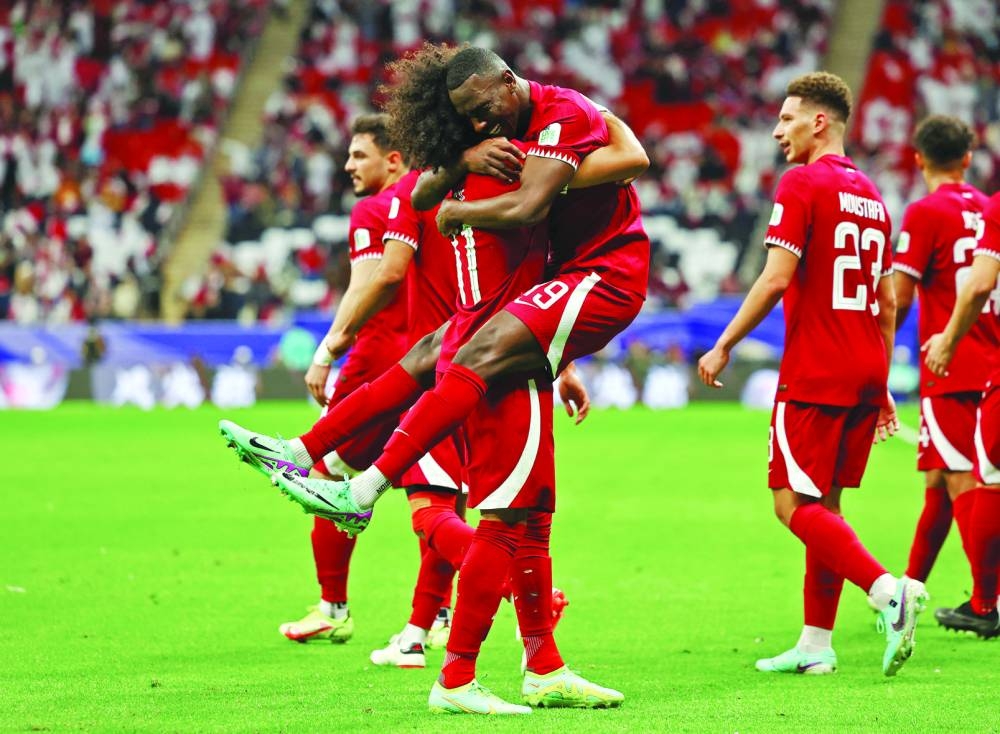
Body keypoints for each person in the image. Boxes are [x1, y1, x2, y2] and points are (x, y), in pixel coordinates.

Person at [697, 71, 928, 677]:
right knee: (827, 505)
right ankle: (816, 645)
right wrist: (880, 388)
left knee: (790, 503)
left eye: (787, 118)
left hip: (817, 368)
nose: (777, 131)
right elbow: (889, 305)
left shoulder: (802, 183)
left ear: (818, 121)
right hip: (862, 366)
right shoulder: (875, 197)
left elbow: (775, 278)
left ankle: (888, 592)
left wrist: (723, 344)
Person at [222, 114, 459, 652]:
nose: (348, 165)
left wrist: (332, 348)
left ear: (394, 159)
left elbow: (370, 282)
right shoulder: (447, 195)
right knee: (435, 491)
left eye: (359, 156)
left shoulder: (380, 208)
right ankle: (436, 615)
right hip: (440, 362)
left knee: (332, 478)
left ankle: (334, 607)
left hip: (384, 364)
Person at [891, 116, 992, 592]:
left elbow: (902, 295)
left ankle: (986, 599)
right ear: (968, 160)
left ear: (918, 159)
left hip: (948, 363)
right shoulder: (989, 209)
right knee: (938, 479)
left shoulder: (925, 212)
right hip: (993, 361)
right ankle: (909, 588)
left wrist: (876, 343)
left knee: (960, 480)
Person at [923, 190, 1000, 638]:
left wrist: (948, 338)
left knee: (985, 477)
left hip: (972, 371)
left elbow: (979, 282)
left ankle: (985, 603)